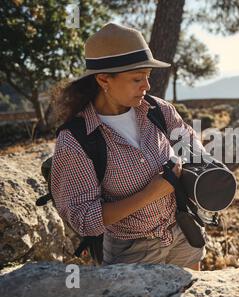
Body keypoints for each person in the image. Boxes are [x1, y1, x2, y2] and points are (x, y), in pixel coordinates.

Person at [50, 22, 206, 270]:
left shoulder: (158, 110)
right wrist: (150, 194)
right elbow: (83, 219)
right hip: (132, 255)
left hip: (183, 234)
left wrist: (195, 162)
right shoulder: (76, 141)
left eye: (147, 76)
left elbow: (188, 140)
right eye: (137, 79)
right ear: (103, 80)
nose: (147, 86)